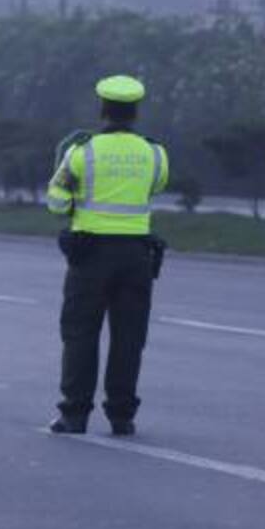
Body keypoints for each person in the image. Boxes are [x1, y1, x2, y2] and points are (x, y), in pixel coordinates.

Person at [45, 75, 169, 437]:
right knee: (129, 337)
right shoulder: (154, 153)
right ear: (135, 113)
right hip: (136, 256)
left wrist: (71, 201)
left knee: (81, 333)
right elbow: (157, 186)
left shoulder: (81, 152)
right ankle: (121, 416)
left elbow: (56, 202)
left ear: (102, 110)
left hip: (90, 254)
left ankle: (75, 414)